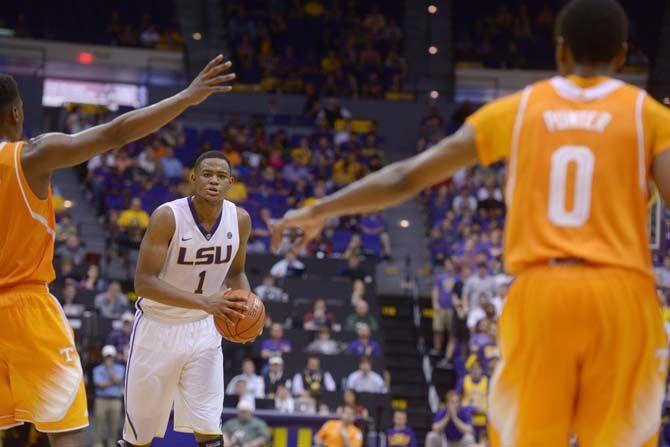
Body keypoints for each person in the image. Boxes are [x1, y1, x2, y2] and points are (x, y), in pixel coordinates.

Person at [271, 1, 670, 443]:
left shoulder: (519, 110)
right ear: (622, 54)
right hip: (623, 293)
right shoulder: (648, 115)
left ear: (560, 51)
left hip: (542, 293)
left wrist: (317, 209)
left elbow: (406, 176)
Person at [122, 149, 251, 447]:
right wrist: (206, 302)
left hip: (204, 330)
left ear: (230, 183)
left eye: (221, 176)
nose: (213, 181)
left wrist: (245, 308)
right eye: (207, 174)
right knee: (137, 438)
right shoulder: (167, 217)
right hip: (157, 328)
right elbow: (143, 283)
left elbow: (236, 273)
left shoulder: (240, 219)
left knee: (209, 429)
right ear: (193, 179)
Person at [93, 345, 125, 447]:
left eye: (111, 356)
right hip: (101, 400)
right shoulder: (97, 369)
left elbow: (117, 380)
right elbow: (100, 384)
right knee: (99, 428)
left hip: (115, 401)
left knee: (114, 429)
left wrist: (110, 368)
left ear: (114, 356)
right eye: (107, 356)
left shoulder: (120, 368)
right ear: (103, 357)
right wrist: (114, 382)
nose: (109, 359)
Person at [431, 259, 460, 357]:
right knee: (438, 329)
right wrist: (435, 303)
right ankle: (437, 348)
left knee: (451, 332)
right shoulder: (440, 278)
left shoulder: (457, 278)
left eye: (450, 264)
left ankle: (449, 352)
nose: (448, 267)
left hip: (452, 309)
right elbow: (436, 290)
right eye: (446, 265)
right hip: (441, 308)